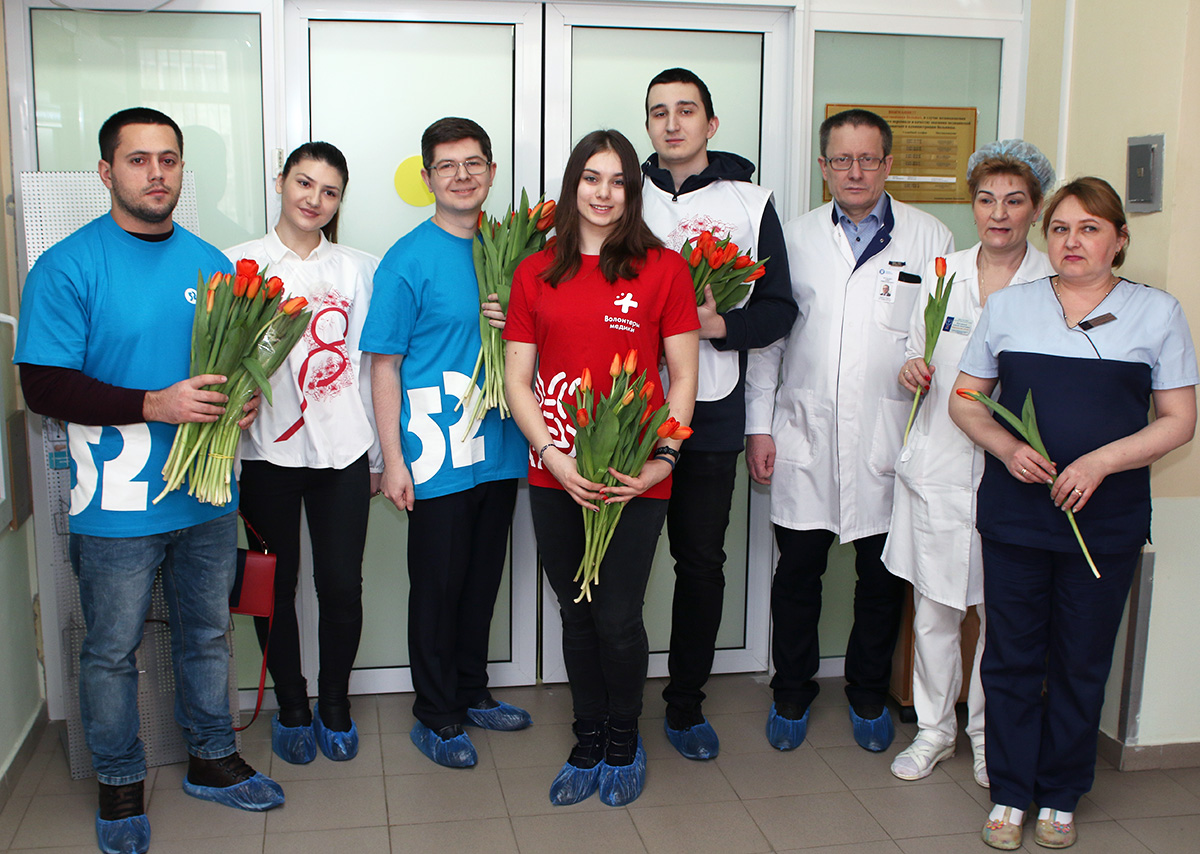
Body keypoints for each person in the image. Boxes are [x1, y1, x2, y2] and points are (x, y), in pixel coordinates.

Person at [14, 107, 284, 854]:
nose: (156, 173)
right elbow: (43, 386)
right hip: (116, 505)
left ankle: (212, 758)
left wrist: (244, 398)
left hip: (206, 497)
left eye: (168, 159)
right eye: (138, 160)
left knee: (207, 635)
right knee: (111, 650)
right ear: (107, 172)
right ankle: (120, 780)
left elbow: (235, 368)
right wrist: (152, 405)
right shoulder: (67, 267)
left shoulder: (213, 266)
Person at [950, 177, 1197, 850]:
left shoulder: (1157, 313)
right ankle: (1009, 793)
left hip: (1105, 519)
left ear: (1120, 239)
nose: (1072, 241)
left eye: (1090, 228)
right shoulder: (1010, 307)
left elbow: (1179, 420)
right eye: (1060, 228)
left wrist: (1100, 463)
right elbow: (966, 400)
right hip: (1017, 515)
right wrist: (1008, 448)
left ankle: (1060, 794)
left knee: (1081, 660)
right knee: (1011, 656)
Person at [744, 108, 954, 753]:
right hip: (803, 429)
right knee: (797, 574)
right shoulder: (795, 237)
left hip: (889, 434)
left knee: (881, 578)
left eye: (867, 159)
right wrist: (758, 427)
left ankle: (867, 692)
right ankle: (791, 691)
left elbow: (942, 335)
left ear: (888, 164)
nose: (854, 172)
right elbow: (770, 341)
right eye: (842, 160)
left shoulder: (931, 236)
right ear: (823, 167)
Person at [504, 129, 699, 807]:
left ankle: (623, 737)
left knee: (618, 616)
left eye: (618, 181)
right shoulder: (534, 272)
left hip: (634, 473)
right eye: (592, 178)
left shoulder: (663, 269)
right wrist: (553, 458)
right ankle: (586, 735)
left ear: (633, 191)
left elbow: (683, 376)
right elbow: (517, 380)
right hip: (556, 470)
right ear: (572, 185)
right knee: (576, 611)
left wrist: (663, 458)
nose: (604, 193)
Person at [882, 140, 1057, 787]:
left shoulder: (1052, 283)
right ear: (972, 205)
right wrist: (911, 367)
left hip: (1012, 470)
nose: (998, 214)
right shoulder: (944, 272)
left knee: (1000, 613)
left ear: (1035, 208)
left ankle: (987, 734)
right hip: (938, 465)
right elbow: (914, 350)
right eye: (986, 200)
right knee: (934, 610)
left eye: (1014, 201)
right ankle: (934, 730)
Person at [361, 117, 531, 770]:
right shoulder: (407, 258)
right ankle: (435, 713)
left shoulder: (510, 251)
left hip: (498, 445)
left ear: (491, 171)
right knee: (437, 587)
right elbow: (383, 365)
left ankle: (470, 690)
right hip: (433, 451)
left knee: (481, 581)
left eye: (473, 163)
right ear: (427, 177)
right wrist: (392, 460)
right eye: (447, 166)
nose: (462, 176)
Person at [639, 67, 797, 761]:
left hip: (711, 409)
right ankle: (614, 702)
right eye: (659, 112)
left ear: (711, 123)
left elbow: (779, 309)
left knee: (700, 561)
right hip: (627, 410)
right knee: (620, 562)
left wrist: (717, 326)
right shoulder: (621, 193)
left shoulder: (750, 203)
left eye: (686, 110)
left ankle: (684, 704)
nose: (672, 123)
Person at [226, 142, 381, 765]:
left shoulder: (360, 270)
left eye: (330, 191)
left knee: (342, 586)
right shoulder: (238, 264)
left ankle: (335, 703)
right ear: (280, 182)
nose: (314, 199)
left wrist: (377, 457)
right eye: (304, 183)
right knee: (273, 586)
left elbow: (370, 369)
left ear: (340, 201)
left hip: (344, 452)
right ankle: (291, 704)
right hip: (265, 454)